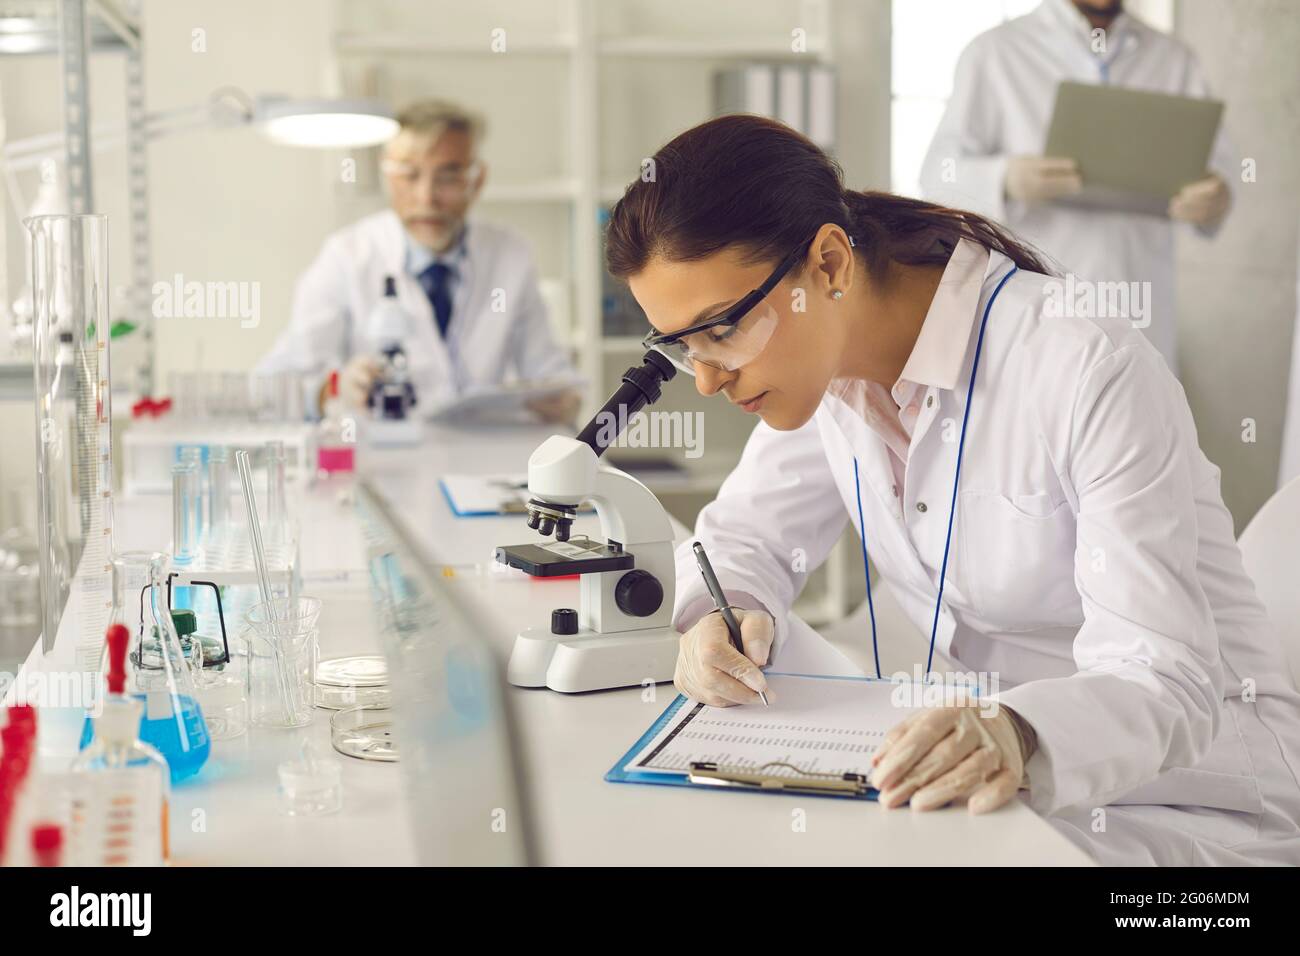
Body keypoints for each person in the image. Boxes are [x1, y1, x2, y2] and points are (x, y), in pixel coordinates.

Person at [605, 113, 1300, 866]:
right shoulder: (819, 368)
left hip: (1189, 794)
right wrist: (721, 613)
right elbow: (746, 539)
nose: (705, 380)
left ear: (830, 265)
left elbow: (1163, 678)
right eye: (681, 346)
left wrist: (1018, 732)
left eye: (723, 329)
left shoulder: (1080, 368)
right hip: (977, 774)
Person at [919, 0, 1235, 374]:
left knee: (1137, 418)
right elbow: (937, 176)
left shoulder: (1175, 59)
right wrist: (1004, 178)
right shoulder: (994, 53)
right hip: (1035, 311)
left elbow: (1219, 167)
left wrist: (1218, 196)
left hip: (1139, 306)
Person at [258, 99, 581, 423]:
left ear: (477, 180)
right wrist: (333, 389)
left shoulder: (511, 255)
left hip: (480, 460)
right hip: (382, 460)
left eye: (448, 177)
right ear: (387, 176)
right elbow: (277, 385)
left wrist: (562, 400)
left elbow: (549, 372)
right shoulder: (346, 256)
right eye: (409, 175)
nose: (427, 197)